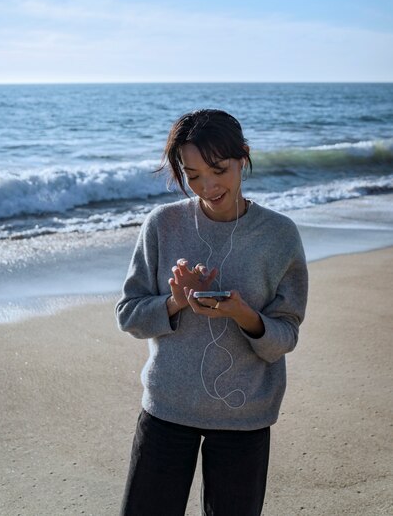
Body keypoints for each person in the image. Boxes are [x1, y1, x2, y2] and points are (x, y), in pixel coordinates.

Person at [115, 109, 308, 516]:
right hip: (167, 408)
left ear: (243, 157)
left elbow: (285, 336)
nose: (207, 185)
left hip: (245, 416)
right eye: (193, 174)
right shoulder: (162, 225)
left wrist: (243, 315)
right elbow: (129, 314)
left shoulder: (279, 235)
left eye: (218, 169)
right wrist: (177, 301)